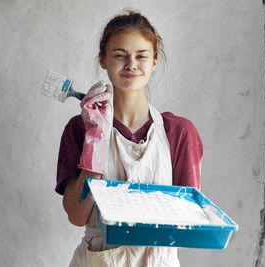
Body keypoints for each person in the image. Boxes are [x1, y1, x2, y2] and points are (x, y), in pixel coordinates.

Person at [55, 10, 203, 267]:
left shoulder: (179, 133)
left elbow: (187, 221)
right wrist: (96, 140)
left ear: (155, 61)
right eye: (120, 55)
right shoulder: (80, 128)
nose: (131, 64)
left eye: (141, 56)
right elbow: (78, 216)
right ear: (103, 60)